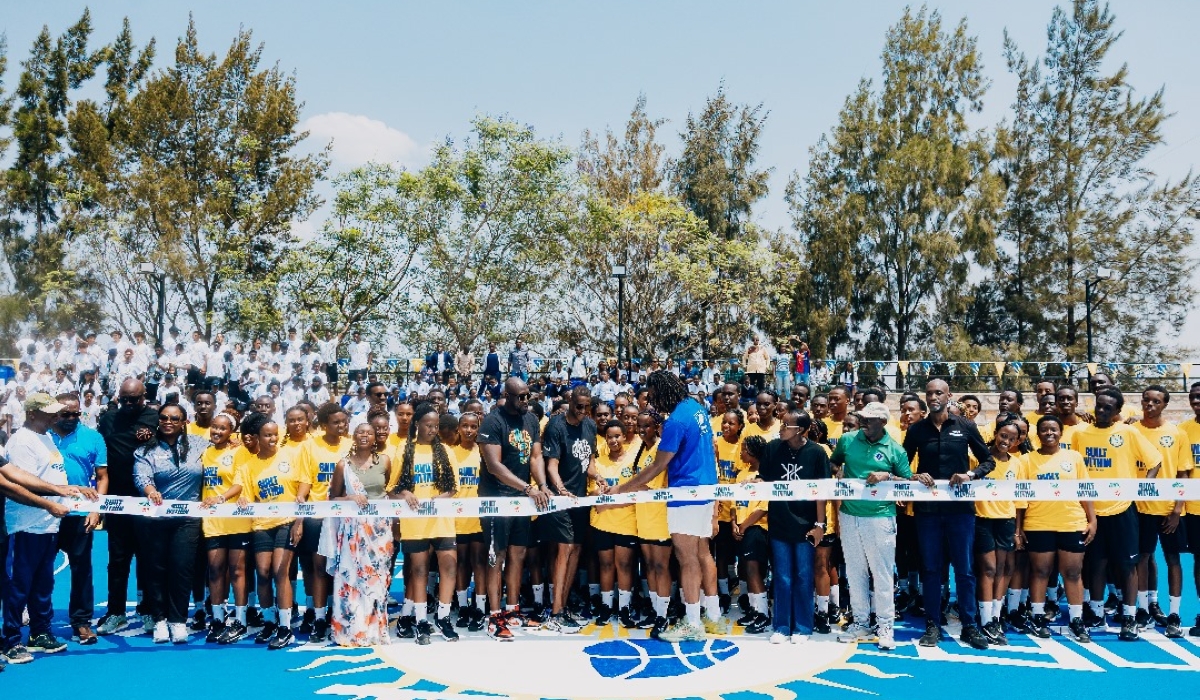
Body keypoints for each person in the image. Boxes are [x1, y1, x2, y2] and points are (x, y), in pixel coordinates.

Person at [610, 370, 722, 642]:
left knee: (687, 560)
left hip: (686, 494)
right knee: (700, 555)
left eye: (654, 396)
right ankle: (711, 616)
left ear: (663, 392)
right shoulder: (697, 409)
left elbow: (658, 465)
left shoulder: (675, 421)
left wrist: (621, 490)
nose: (652, 402)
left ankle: (693, 622)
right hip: (706, 490)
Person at [904, 379, 994, 651]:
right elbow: (901, 465)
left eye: (938, 392)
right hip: (928, 512)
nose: (934, 397)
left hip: (960, 512)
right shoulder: (917, 430)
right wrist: (914, 475)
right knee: (931, 570)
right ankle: (932, 624)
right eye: (929, 393)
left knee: (964, 571)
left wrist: (970, 474)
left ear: (948, 396)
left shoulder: (965, 426)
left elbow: (988, 461)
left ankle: (969, 625)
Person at [1073, 387, 1161, 641]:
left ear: (1117, 412)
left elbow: (1155, 462)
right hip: (1091, 511)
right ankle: (1097, 613)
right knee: (1097, 564)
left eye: (1107, 408)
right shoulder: (1081, 433)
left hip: (1123, 510)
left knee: (1127, 565)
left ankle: (1130, 617)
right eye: (1098, 405)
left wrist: (1141, 489)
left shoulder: (1128, 432)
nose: (1100, 410)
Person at [831, 401, 911, 650]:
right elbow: (833, 463)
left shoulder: (895, 449)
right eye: (862, 418)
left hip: (880, 516)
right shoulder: (847, 440)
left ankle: (885, 625)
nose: (864, 422)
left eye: (869, 419)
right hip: (849, 514)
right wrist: (837, 472)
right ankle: (861, 622)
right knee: (855, 572)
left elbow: (907, 483)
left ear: (883, 422)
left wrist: (888, 476)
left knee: (883, 574)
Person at [476, 377, 549, 641]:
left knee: (518, 555)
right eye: (520, 397)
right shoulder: (492, 421)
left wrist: (541, 484)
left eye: (528, 396)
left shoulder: (530, 420)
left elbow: (536, 456)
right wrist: (529, 489)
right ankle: (495, 617)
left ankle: (512, 610)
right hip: (497, 499)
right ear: (506, 395)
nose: (525, 401)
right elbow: (495, 466)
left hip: (520, 501)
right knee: (497, 557)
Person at [2, 394, 72, 661]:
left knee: (44, 582)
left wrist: (67, 491)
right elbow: (21, 483)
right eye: (49, 412)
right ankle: (9, 639)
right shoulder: (21, 441)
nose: (55, 416)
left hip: (48, 524)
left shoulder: (47, 436)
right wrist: (50, 502)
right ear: (31, 414)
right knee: (19, 584)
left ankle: (39, 632)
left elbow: (50, 474)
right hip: (25, 524)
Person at [1015, 414, 1096, 643]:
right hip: (1038, 523)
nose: (1049, 433)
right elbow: (1021, 499)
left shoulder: (1074, 457)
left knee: (1072, 573)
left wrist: (1093, 520)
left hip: (1071, 522)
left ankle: (1076, 620)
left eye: (1054, 429)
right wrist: (1018, 528)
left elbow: (1085, 489)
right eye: (1044, 430)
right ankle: (1038, 616)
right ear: (1037, 434)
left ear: (1061, 432)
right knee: (1040, 572)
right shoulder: (1026, 461)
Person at [756, 410, 829, 644]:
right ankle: (781, 626)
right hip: (779, 522)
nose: (781, 427)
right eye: (782, 423)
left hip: (806, 524)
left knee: (804, 575)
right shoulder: (772, 448)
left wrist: (820, 525)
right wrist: (755, 482)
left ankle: (803, 627)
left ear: (802, 430)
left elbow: (822, 491)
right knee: (782, 576)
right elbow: (763, 478)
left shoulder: (817, 453)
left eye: (787, 425)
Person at [134, 403, 204, 644]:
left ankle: (178, 621)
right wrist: (150, 490)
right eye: (164, 418)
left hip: (188, 520)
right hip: (156, 519)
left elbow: (224, 451)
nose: (168, 422)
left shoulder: (199, 444)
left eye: (174, 418)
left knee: (182, 569)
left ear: (184, 421)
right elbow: (141, 476)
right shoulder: (145, 450)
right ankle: (160, 620)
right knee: (156, 570)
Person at [241, 411, 310, 650]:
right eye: (267, 435)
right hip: (261, 524)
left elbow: (305, 481)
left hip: (287, 521)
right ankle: (269, 621)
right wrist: (243, 501)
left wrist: (299, 514)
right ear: (257, 438)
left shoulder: (291, 454)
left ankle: (285, 626)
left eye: (274, 435)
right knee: (263, 572)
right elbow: (247, 496)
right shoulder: (249, 465)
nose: (271, 439)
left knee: (281, 573)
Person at [96, 379, 160, 636]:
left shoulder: (155, 418)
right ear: (118, 397)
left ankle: (147, 610)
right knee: (118, 560)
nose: (130, 404)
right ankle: (115, 612)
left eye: (135, 399)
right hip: (117, 501)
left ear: (144, 396)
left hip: (147, 500)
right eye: (125, 399)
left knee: (148, 558)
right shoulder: (108, 419)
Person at [393, 402, 460, 644]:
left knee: (449, 567)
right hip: (415, 522)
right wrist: (405, 494)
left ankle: (443, 617)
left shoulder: (446, 451)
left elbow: (454, 488)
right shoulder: (404, 449)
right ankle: (421, 620)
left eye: (436, 426)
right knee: (419, 571)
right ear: (417, 425)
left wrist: (441, 498)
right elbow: (392, 488)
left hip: (441, 521)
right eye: (428, 425)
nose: (433, 430)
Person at [323, 423, 394, 647]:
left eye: (369, 432)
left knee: (377, 581)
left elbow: (387, 493)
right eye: (360, 432)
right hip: (353, 532)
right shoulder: (343, 464)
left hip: (379, 532)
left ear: (376, 438)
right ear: (353, 436)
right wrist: (350, 499)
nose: (365, 435)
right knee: (351, 581)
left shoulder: (385, 461)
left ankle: (375, 630)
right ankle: (351, 631)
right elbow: (333, 498)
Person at [1131, 385, 1190, 636]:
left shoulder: (1176, 433)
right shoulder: (1131, 431)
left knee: (1173, 560)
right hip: (1139, 508)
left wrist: (1177, 509)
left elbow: (1183, 473)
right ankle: (1143, 610)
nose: (1150, 405)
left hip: (1168, 510)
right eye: (1146, 400)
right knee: (1142, 558)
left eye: (1156, 401)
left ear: (1165, 404)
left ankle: (1174, 614)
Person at [50, 394, 108, 645]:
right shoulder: (41, 437)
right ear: (55, 412)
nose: (72, 419)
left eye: (77, 414)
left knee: (81, 570)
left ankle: (81, 622)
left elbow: (102, 476)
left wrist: (97, 509)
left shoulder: (93, 437)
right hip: (45, 512)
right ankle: (34, 616)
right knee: (38, 569)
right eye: (66, 414)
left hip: (79, 515)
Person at [541, 386, 598, 633]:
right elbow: (551, 464)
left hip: (581, 499)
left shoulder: (591, 426)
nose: (582, 411)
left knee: (576, 549)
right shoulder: (556, 425)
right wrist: (560, 488)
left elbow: (590, 462)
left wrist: (600, 478)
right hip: (561, 498)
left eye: (586, 407)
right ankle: (555, 612)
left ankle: (563, 605)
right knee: (564, 550)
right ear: (570, 402)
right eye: (578, 406)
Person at [294, 402, 352, 643]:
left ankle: (339, 614)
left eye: (344, 421)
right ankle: (319, 617)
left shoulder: (351, 444)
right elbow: (306, 481)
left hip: (347, 517)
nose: (341, 426)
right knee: (318, 568)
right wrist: (300, 501)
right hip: (319, 515)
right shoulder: (310, 446)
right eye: (336, 422)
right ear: (324, 424)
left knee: (343, 569)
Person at [199, 413, 250, 644]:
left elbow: (239, 484)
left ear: (231, 432)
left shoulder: (239, 451)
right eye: (214, 427)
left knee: (237, 571)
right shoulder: (206, 453)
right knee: (215, 569)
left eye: (223, 428)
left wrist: (220, 498)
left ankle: (240, 621)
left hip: (237, 520)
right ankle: (218, 620)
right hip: (213, 522)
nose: (217, 432)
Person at [973, 415, 1024, 645]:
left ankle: (995, 614)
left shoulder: (1017, 463)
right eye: (1003, 436)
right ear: (995, 434)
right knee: (989, 568)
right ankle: (985, 620)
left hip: (1006, 520)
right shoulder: (978, 458)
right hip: (982, 519)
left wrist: (1017, 530)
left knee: (1002, 569)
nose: (1006, 441)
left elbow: (1020, 500)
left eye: (1012, 438)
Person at [591, 420, 639, 628]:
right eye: (610, 436)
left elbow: (634, 492)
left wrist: (608, 502)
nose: (613, 440)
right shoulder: (598, 463)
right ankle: (606, 606)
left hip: (626, 523)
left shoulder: (632, 460)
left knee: (624, 566)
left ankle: (624, 608)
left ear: (624, 436)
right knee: (606, 565)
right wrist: (600, 496)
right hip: (601, 523)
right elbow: (592, 492)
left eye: (617, 436)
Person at [452, 410, 487, 632]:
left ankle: (480, 608)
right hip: (456, 520)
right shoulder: (450, 453)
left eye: (473, 426)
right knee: (461, 564)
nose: (469, 430)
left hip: (480, 518)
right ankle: (463, 606)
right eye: (465, 426)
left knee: (479, 563)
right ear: (458, 428)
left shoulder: (485, 453)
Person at [732, 435, 771, 634]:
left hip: (756, 529)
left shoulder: (764, 476)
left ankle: (763, 614)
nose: (741, 453)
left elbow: (762, 509)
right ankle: (755, 610)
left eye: (745, 450)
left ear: (754, 453)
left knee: (755, 571)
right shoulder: (741, 475)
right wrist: (734, 523)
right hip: (741, 528)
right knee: (747, 571)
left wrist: (744, 526)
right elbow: (733, 503)